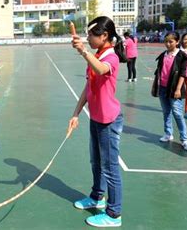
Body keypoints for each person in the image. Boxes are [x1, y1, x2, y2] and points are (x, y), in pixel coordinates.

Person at [68, 16, 127, 228]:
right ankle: (96, 197)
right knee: (96, 162)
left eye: (92, 35)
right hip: (96, 117)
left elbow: (101, 70)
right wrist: (75, 114)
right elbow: (88, 86)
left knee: (110, 168)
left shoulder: (110, 57)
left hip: (109, 121)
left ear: (104, 36)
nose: (88, 38)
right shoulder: (98, 54)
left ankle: (114, 214)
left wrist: (83, 51)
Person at [152, 32, 187, 151]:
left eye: (171, 41)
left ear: (177, 42)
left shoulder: (181, 56)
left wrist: (178, 89)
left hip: (174, 89)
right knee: (166, 112)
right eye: (166, 41)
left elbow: (182, 74)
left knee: (178, 114)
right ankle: (168, 133)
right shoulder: (163, 55)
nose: (168, 44)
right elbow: (159, 72)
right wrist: (156, 86)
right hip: (163, 88)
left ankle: (184, 139)